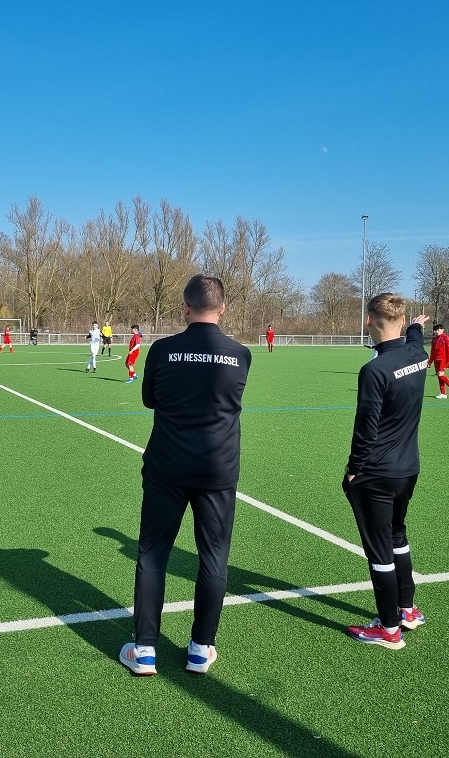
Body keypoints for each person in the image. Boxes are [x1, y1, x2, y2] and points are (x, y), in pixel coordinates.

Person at [119, 274, 252, 676]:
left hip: (167, 465)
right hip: (217, 469)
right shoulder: (240, 354)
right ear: (223, 308)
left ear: (185, 307)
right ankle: (200, 648)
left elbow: (150, 399)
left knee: (152, 553)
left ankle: (145, 649)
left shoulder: (163, 349)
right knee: (214, 558)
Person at [342, 294, 431, 651]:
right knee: (397, 536)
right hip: (408, 469)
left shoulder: (375, 370)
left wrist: (354, 469)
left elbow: (366, 428)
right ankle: (407, 610)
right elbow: (415, 339)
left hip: (376, 474)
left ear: (369, 321)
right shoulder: (417, 355)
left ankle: (390, 630)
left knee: (380, 551)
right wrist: (416, 328)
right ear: (403, 320)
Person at [428, 323, 449, 399]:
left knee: (440, 375)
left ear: (442, 330)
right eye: (435, 330)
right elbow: (432, 351)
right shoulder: (434, 339)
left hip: (443, 360)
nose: (436, 331)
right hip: (436, 360)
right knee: (439, 376)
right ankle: (443, 393)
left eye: (438, 330)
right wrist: (430, 361)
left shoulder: (446, 338)